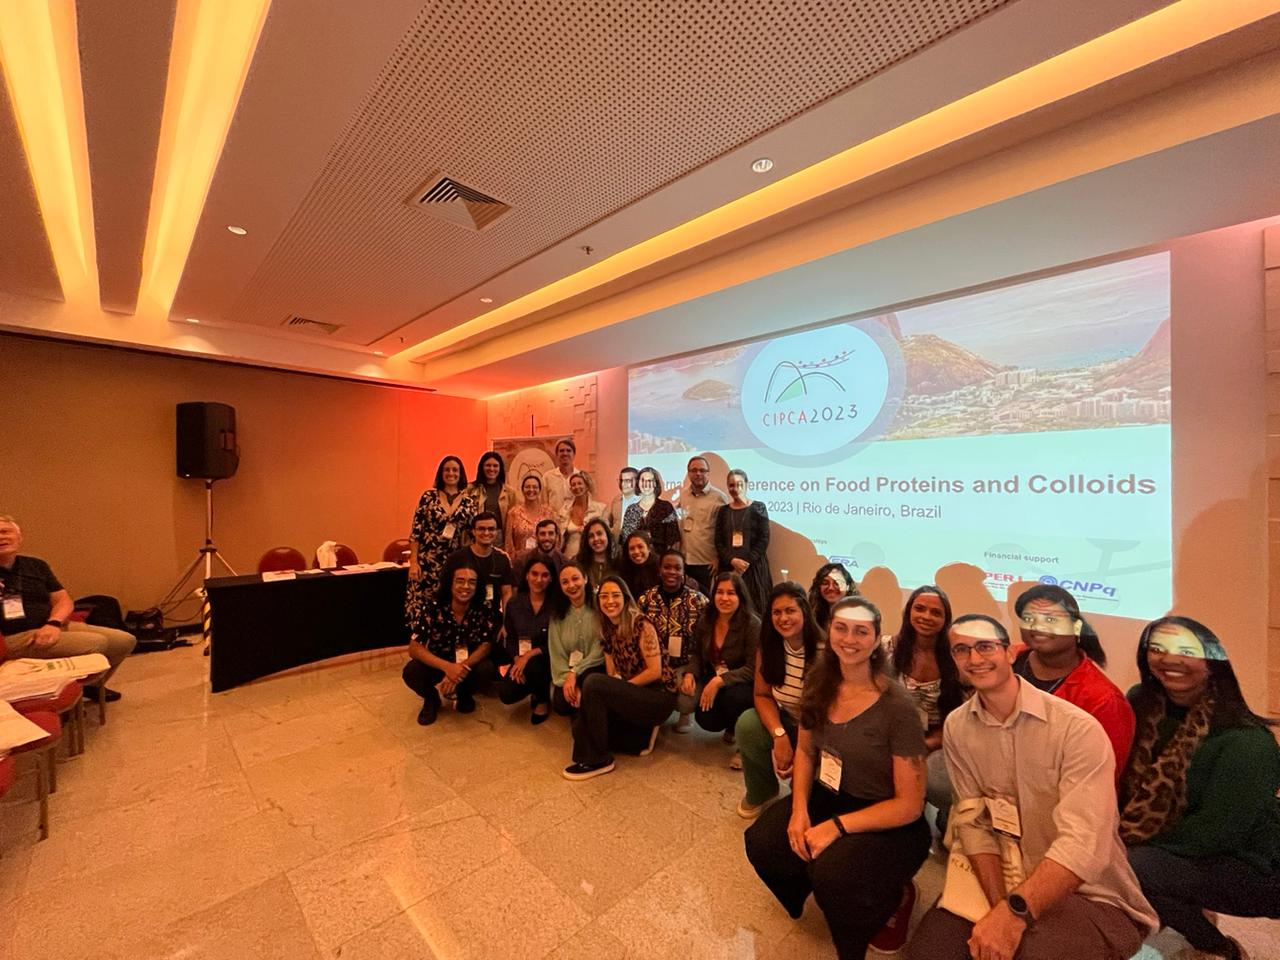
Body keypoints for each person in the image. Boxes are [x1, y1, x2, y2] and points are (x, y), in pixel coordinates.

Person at [906, 614, 1157, 960]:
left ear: (1011, 653)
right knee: (929, 954)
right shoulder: (958, 727)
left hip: (1089, 891)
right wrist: (1000, 906)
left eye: (985, 646)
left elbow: (1083, 844)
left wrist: (1013, 913)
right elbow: (973, 823)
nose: (974, 658)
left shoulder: (1076, 729)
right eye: (961, 650)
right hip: (1005, 871)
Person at [745, 597, 932, 960]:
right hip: (829, 793)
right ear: (829, 631)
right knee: (763, 843)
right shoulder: (818, 681)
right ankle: (813, 892)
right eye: (841, 628)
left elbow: (910, 805)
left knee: (834, 876)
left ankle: (878, 910)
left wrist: (837, 827)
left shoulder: (898, 707)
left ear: (876, 639)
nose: (849, 639)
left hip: (885, 814)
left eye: (861, 631)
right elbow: (805, 751)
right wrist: (799, 810)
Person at [1119, 616, 1280, 960]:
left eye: (1186, 651)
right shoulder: (1142, 702)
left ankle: (1220, 948)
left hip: (1257, 864)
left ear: (1212, 661)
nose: (1169, 659)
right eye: (1157, 648)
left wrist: (1119, 843)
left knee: (1130, 865)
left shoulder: (1247, 742)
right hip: (1182, 846)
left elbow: (1213, 836)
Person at [0, 515, 136, 700]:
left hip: (51, 625)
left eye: (5, 532)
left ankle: (90, 687)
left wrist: (53, 624)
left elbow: (63, 600)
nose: (1, 537)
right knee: (95, 643)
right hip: (14, 637)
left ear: (19, 537)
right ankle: (67, 693)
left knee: (124, 641)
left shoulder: (36, 565)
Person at [1013, 583, 1134, 780]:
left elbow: (1101, 777)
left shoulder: (1104, 699)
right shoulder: (1007, 659)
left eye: (1051, 619)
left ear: (1076, 627)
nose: (1037, 626)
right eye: (1028, 618)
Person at [562, 575, 678, 780]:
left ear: (625, 598)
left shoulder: (641, 624)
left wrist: (622, 689)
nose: (610, 601)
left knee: (593, 682)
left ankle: (598, 760)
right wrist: (617, 691)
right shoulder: (606, 628)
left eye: (615, 595)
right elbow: (612, 672)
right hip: (632, 693)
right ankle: (639, 738)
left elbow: (655, 671)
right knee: (579, 726)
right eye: (604, 596)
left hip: (658, 695)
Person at [735, 582, 824, 819]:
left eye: (790, 610)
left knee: (808, 798)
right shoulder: (769, 647)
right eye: (777, 612)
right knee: (747, 724)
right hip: (788, 719)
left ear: (804, 611)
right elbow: (762, 695)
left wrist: (802, 755)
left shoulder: (824, 651)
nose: (783, 618)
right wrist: (779, 735)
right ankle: (762, 790)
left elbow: (827, 714)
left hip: (820, 730)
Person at [881, 585, 966, 833]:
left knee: (939, 783)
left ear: (945, 620)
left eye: (935, 612)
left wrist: (927, 744)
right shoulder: (887, 647)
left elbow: (960, 717)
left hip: (940, 738)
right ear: (909, 611)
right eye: (919, 608)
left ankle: (943, 811)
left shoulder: (957, 658)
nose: (926, 617)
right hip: (891, 734)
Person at [401, 553, 499, 725]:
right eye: (460, 581)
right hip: (438, 663)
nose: (466, 586)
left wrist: (460, 669)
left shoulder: (483, 609)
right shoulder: (433, 607)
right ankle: (432, 699)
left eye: (472, 582)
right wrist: (447, 668)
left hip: (466, 665)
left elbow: (486, 646)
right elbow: (414, 649)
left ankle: (464, 694)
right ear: (450, 583)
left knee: (486, 668)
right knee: (411, 671)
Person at [690, 572, 760, 763]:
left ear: (740, 597)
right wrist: (690, 673)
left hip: (744, 684)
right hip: (715, 677)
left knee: (733, 698)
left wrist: (719, 681)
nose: (724, 598)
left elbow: (753, 668)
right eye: (720, 592)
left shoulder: (752, 624)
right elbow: (696, 653)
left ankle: (745, 746)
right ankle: (732, 725)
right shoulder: (706, 620)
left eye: (731, 593)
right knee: (705, 719)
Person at [407, 455, 480, 631]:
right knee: (425, 607)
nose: (451, 473)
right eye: (447, 470)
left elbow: (474, 535)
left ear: (460, 474)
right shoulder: (428, 497)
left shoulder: (469, 502)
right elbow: (416, 532)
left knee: (450, 604)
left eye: (455, 470)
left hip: (454, 562)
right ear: (441, 473)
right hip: (427, 562)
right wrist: (414, 562)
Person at [638, 550, 708, 732]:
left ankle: (685, 714)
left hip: (686, 663)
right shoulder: (646, 599)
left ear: (684, 572)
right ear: (659, 570)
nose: (672, 572)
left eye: (677, 568)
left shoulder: (698, 601)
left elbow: (705, 641)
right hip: (655, 663)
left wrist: (692, 672)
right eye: (667, 567)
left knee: (686, 700)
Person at [496, 557, 557, 724]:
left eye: (545, 575)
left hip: (549, 658)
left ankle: (542, 699)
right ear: (526, 576)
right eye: (534, 574)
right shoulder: (514, 603)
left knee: (535, 665)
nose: (539, 579)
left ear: (551, 578)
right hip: (521, 657)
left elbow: (557, 642)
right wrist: (517, 660)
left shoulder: (557, 605)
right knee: (506, 694)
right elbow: (510, 638)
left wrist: (529, 656)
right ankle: (534, 688)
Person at [713, 468, 773, 617]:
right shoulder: (723, 511)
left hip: (753, 569)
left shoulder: (758, 507)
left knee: (754, 613)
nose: (735, 488)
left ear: (746, 485)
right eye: (731, 485)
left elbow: (764, 539)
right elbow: (718, 540)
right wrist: (732, 561)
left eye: (739, 484)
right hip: (728, 568)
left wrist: (745, 563)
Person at [547, 561, 604, 715]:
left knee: (589, 685)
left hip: (594, 667)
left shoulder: (599, 606)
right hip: (568, 671)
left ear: (585, 578)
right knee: (561, 704)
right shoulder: (557, 615)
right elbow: (556, 652)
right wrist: (568, 678)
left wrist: (575, 673)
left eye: (575, 579)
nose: (571, 585)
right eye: (565, 582)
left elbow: (601, 647)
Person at [448, 512, 513, 623]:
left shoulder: (502, 560)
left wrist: (506, 623)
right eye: (481, 529)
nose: (486, 533)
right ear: (473, 531)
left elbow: (506, 593)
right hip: (462, 619)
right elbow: (446, 590)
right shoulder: (457, 558)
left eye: (491, 529)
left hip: (492, 619)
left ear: (496, 532)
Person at [675, 456, 727, 594]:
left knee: (705, 601)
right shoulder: (684, 495)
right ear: (688, 473)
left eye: (702, 470)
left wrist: (718, 558)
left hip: (707, 563)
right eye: (694, 470)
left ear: (708, 473)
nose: (698, 473)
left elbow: (724, 532)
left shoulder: (719, 498)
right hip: (685, 560)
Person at [621, 466, 680, 554]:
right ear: (638, 483)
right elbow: (625, 541)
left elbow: (674, 540)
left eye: (650, 481)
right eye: (642, 480)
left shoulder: (666, 507)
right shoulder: (631, 510)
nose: (646, 484)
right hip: (636, 558)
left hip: (660, 559)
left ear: (655, 484)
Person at [505, 474, 555, 568]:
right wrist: (512, 562)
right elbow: (509, 542)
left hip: (544, 561)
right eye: (527, 487)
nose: (531, 490)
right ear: (522, 489)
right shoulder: (513, 512)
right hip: (520, 563)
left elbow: (556, 538)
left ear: (540, 490)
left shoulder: (548, 512)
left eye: (535, 487)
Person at [468, 451, 516, 543]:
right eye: (488, 465)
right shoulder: (470, 490)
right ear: (482, 467)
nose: (491, 469)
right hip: (476, 537)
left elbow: (512, 522)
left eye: (495, 466)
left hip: (499, 539)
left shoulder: (510, 493)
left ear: (500, 468)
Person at [559, 470, 606, 558]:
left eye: (579, 483)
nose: (576, 487)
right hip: (569, 557)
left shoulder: (600, 509)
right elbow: (559, 537)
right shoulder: (564, 510)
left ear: (587, 486)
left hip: (592, 557)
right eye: (573, 485)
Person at [808, 562, 857, 632]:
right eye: (825, 583)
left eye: (837, 583)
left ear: (848, 587)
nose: (831, 588)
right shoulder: (812, 616)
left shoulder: (859, 616)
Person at [575, 517, 619, 595]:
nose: (596, 539)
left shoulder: (619, 560)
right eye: (591, 536)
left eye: (599, 534)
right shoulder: (578, 562)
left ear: (607, 535)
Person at [542, 438, 578, 515]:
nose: (565, 453)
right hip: (554, 521)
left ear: (574, 454)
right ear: (556, 454)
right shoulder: (547, 477)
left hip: (576, 521)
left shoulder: (581, 477)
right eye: (561, 451)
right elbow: (544, 505)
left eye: (568, 450)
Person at [619, 530, 660, 599]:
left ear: (649, 548)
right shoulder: (623, 568)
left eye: (640, 547)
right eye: (632, 548)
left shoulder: (660, 567)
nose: (636, 552)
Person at [606, 466, 639, 536]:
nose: (623, 484)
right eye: (621, 480)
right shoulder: (616, 500)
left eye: (627, 481)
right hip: (618, 542)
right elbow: (604, 521)